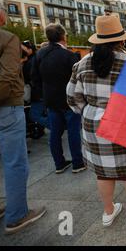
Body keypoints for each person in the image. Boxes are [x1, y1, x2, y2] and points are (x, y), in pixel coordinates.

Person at [67, 15, 126, 229]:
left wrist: (90, 112)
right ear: (121, 40)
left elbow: (72, 98)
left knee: (102, 171)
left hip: (94, 126)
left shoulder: (81, 64)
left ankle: (108, 212)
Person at [0, 0, 46, 233]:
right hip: (5, 108)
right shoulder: (6, 39)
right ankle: (17, 214)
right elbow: (6, 77)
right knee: (15, 163)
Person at [32, 24, 85, 174]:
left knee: (55, 133)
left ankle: (59, 163)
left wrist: (44, 93)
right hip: (68, 99)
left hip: (50, 99)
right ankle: (77, 162)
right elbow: (78, 79)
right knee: (73, 131)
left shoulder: (40, 54)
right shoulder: (69, 55)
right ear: (63, 36)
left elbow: (34, 77)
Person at [21, 40, 48, 139]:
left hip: (37, 93)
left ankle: (56, 126)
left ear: (30, 49)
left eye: (24, 48)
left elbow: (31, 78)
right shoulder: (33, 59)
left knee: (34, 115)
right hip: (38, 93)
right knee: (38, 113)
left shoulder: (31, 61)